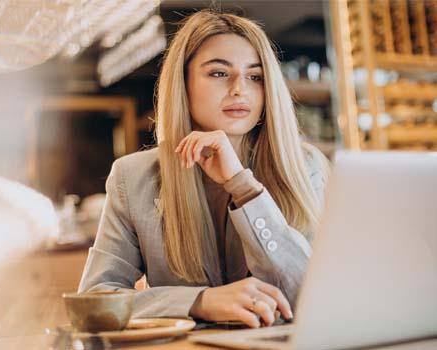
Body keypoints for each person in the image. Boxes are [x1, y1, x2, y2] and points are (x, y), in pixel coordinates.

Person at [78, 9, 329, 329]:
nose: (240, 88)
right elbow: (96, 298)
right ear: (183, 84)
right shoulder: (133, 176)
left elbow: (314, 295)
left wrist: (242, 185)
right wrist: (200, 301)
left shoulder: (304, 166)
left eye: (255, 77)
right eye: (219, 73)